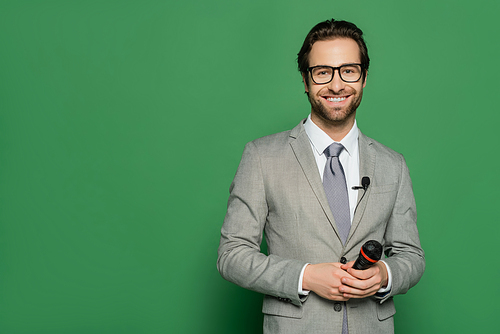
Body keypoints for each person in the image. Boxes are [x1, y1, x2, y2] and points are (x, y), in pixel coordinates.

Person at [217, 19, 425, 334]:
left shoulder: (392, 164)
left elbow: (411, 255)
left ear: (364, 77)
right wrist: (306, 276)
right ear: (306, 80)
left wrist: (384, 274)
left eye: (349, 70)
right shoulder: (261, 157)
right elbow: (231, 255)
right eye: (323, 72)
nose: (337, 84)